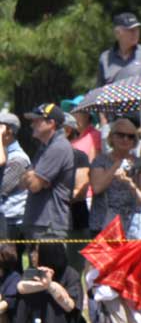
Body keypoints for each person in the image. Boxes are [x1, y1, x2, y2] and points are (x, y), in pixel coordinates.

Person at [18, 103, 77, 272]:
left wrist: (33, 176)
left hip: (49, 225)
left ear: (51, 123)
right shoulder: (45, 147)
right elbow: (23, 182)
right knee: (36, 276)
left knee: (49, 276)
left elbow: (34, 185)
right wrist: (32, 176)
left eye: (36, 120)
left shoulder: (58, 147)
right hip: (40, 222)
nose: (31, 125)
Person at [89, 117, 141, 237]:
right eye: (121, 135)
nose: (125, 139)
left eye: (130, 136)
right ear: (111, 137)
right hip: (104, 225)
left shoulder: (139, 163)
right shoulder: (100, 160)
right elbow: (97, 188)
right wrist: (117, 165)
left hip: (130, 226)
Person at [96, 11, 141, 86]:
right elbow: (99, 91)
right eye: (131, 30)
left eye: (137, 29)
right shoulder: (105, 58)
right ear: (117, 33)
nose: (135, 33)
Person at [1, 111, 29, 240]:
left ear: (9, 131)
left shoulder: (18, 158)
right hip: (5, 219)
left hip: (12, 221)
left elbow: (2, 189)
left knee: (10, 260)